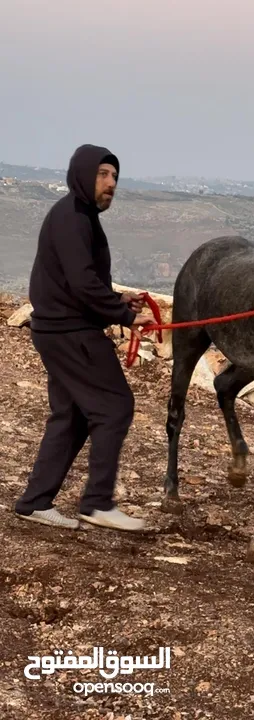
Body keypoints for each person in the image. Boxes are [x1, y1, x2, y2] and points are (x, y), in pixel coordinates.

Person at [14, 143, 154, 532]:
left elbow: (81, 279)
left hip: (56, 330)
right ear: (82, 175)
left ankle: (34, 502)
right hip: (71, 332)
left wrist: (116, 297)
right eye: (102, 175)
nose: (110, 184)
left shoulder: (77, 216)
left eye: (114, 177)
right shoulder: (74, 218)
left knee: (71, 416)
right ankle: (96, 503)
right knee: (115, 406)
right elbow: (80, 284)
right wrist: (125, 315)